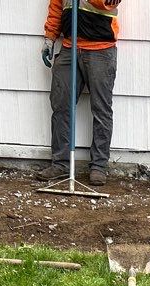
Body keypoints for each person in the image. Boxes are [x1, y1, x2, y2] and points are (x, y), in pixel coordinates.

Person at [40, 0, 120, 187]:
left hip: (101, 48)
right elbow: (56, 8)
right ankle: (61, 163)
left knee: (101, 109)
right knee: (61, 105)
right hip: (69, 47)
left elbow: (107, 3)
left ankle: (98, 166)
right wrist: (49, 39)